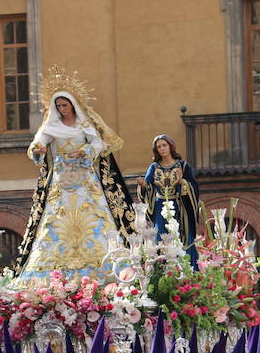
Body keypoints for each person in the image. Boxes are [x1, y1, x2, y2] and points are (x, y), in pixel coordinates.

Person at [16, 85, 133, 277]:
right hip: (62, 182)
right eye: (59, 106)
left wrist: (85, 151)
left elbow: (97, 143)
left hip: (86, 179)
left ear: (72, 105)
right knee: (55, 218)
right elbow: (37, 144)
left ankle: (106, 266)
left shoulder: (84, 125)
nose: (62, 109)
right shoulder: (51, 126)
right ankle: (51, 269)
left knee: (94, 216)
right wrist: (38, 150)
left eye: (65, 105)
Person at [141, 134, 202, 262]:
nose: (162, 149)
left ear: (170, 146)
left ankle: (185, 269)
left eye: (164, 145)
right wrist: (143, 186)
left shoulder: (183, 166)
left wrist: (182, 183)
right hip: (159, 209)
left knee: (181, 237)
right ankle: (163, 269)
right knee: (160, 237)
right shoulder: (154, 167)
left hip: (179, 208)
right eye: (159, 147)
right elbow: (148, 188)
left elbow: (194, 188)